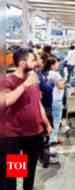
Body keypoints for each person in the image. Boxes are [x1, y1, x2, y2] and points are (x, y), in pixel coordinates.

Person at [0, 48, 52, 190]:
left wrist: (46, 123)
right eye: (33, 60)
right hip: (15, 136)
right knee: (13, 174)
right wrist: (25, 85)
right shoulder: (7, 80)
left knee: (29, 172)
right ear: (22, 63)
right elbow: (6, 101)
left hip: (34, 133)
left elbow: (37, 102)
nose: (37, 62)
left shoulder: (34, 79)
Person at [45, 56, 65, 145]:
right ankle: (53, 139)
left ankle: (50, 137)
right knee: (56, 120)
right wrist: (64, 81)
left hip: (50, 100)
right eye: (57, 63)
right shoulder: (56, 74)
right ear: (52, 65)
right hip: (57, 100)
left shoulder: (47, 73)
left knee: (50, 120)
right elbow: (61, 86)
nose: (58, 64)